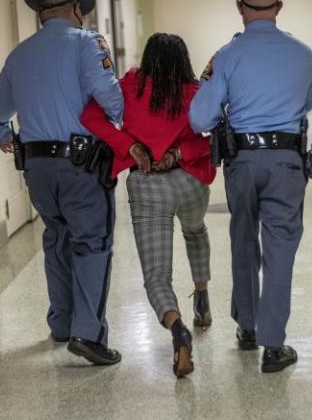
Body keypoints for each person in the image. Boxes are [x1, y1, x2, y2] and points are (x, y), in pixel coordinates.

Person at [0, 0, 125, 366]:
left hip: (37, 168)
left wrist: (2, 135)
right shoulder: (87, 43)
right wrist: (127, 123)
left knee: (57, 238)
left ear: (41, 15)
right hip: (81, 165)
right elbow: (110, 98)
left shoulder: (20, 53)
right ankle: (89, 334)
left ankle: (61, 323)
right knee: (92, 243)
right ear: (78, 10)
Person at [189, 0, 312, 373]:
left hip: (242, 162)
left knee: (244, 238)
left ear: (239, 7)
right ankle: (274, 345)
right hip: (287, 161)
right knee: (280, 248)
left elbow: (199, 119)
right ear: (279, 6)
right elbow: (308, 103)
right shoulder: (303, 54)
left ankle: (246, 327)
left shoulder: (226, 56)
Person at [81, 33, 215, 378]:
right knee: (195, 229)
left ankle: (177, 329)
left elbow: (92, 118)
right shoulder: (194, 93)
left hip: (147, 186)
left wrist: (131, 147)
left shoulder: (128, 88)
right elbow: (213, 136)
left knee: (156, 276)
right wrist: (179, 154)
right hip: (190, 183)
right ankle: (202, 297)